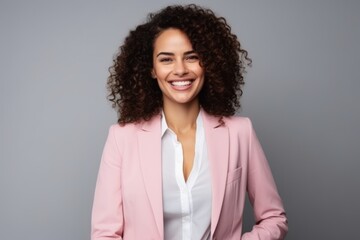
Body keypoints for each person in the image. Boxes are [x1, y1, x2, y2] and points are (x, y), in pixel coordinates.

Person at [91, 4, 288, 240]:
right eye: (166, 60)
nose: (181, 70)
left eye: (192, 57)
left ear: (208, 63)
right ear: (152, 69)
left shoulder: (239, 132)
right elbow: (104, 234)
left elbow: (274, 218)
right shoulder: (121, 138)